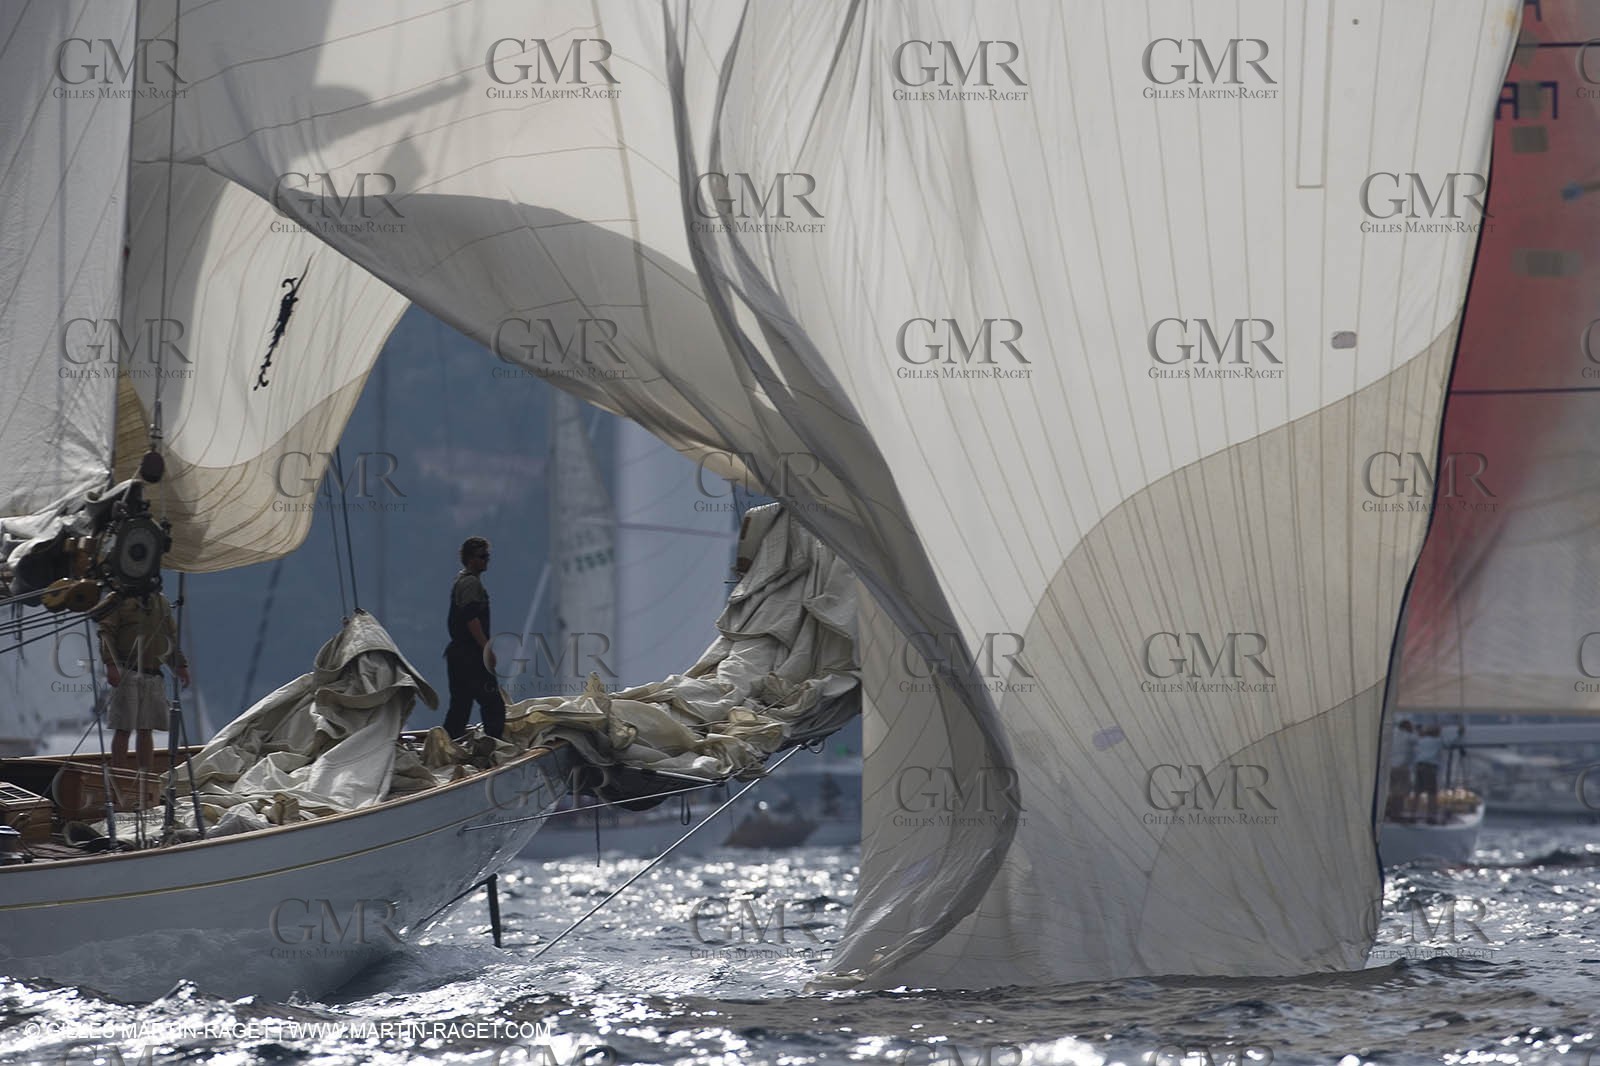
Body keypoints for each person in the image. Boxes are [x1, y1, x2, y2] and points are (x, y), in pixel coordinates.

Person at [98, 589, 191, 776]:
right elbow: (106, 632)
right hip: (127, 671)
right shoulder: (117, 599)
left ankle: (146, 778)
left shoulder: (161, 602)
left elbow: (169, 636)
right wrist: (110, 664)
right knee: (123, 728)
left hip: (153, 673)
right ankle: (120, 777)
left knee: (146, 729)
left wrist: (179, 665)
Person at [444, 536, 505, 740]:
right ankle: (494, 746)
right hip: (470, 654)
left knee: (461, 704)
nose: (487, 560)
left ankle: (449, 742)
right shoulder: (470, 583)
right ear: (471, 559)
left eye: (487, 556)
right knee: (492, 703)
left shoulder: (462, 580)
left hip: (458, 655)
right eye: (482, 556)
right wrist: (486, 648)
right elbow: (471, 618)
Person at [1413, 723, 1443, 824]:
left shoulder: (1421, 741)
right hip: (1430, 767)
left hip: (1419, 766)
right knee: (1432, 793)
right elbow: (1448, 742)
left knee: (1417, 791)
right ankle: (1431, 815)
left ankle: (1414, 812)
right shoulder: (1437, 741)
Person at [1386, 720, 1416, 821]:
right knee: (1400, 792)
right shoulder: (1408, 736)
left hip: (1389, 767)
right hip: (1402, 767)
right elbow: (1417, 740)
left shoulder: (1392, 734)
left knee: (1391, 790)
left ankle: (1388, 811)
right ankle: (1397, 813)